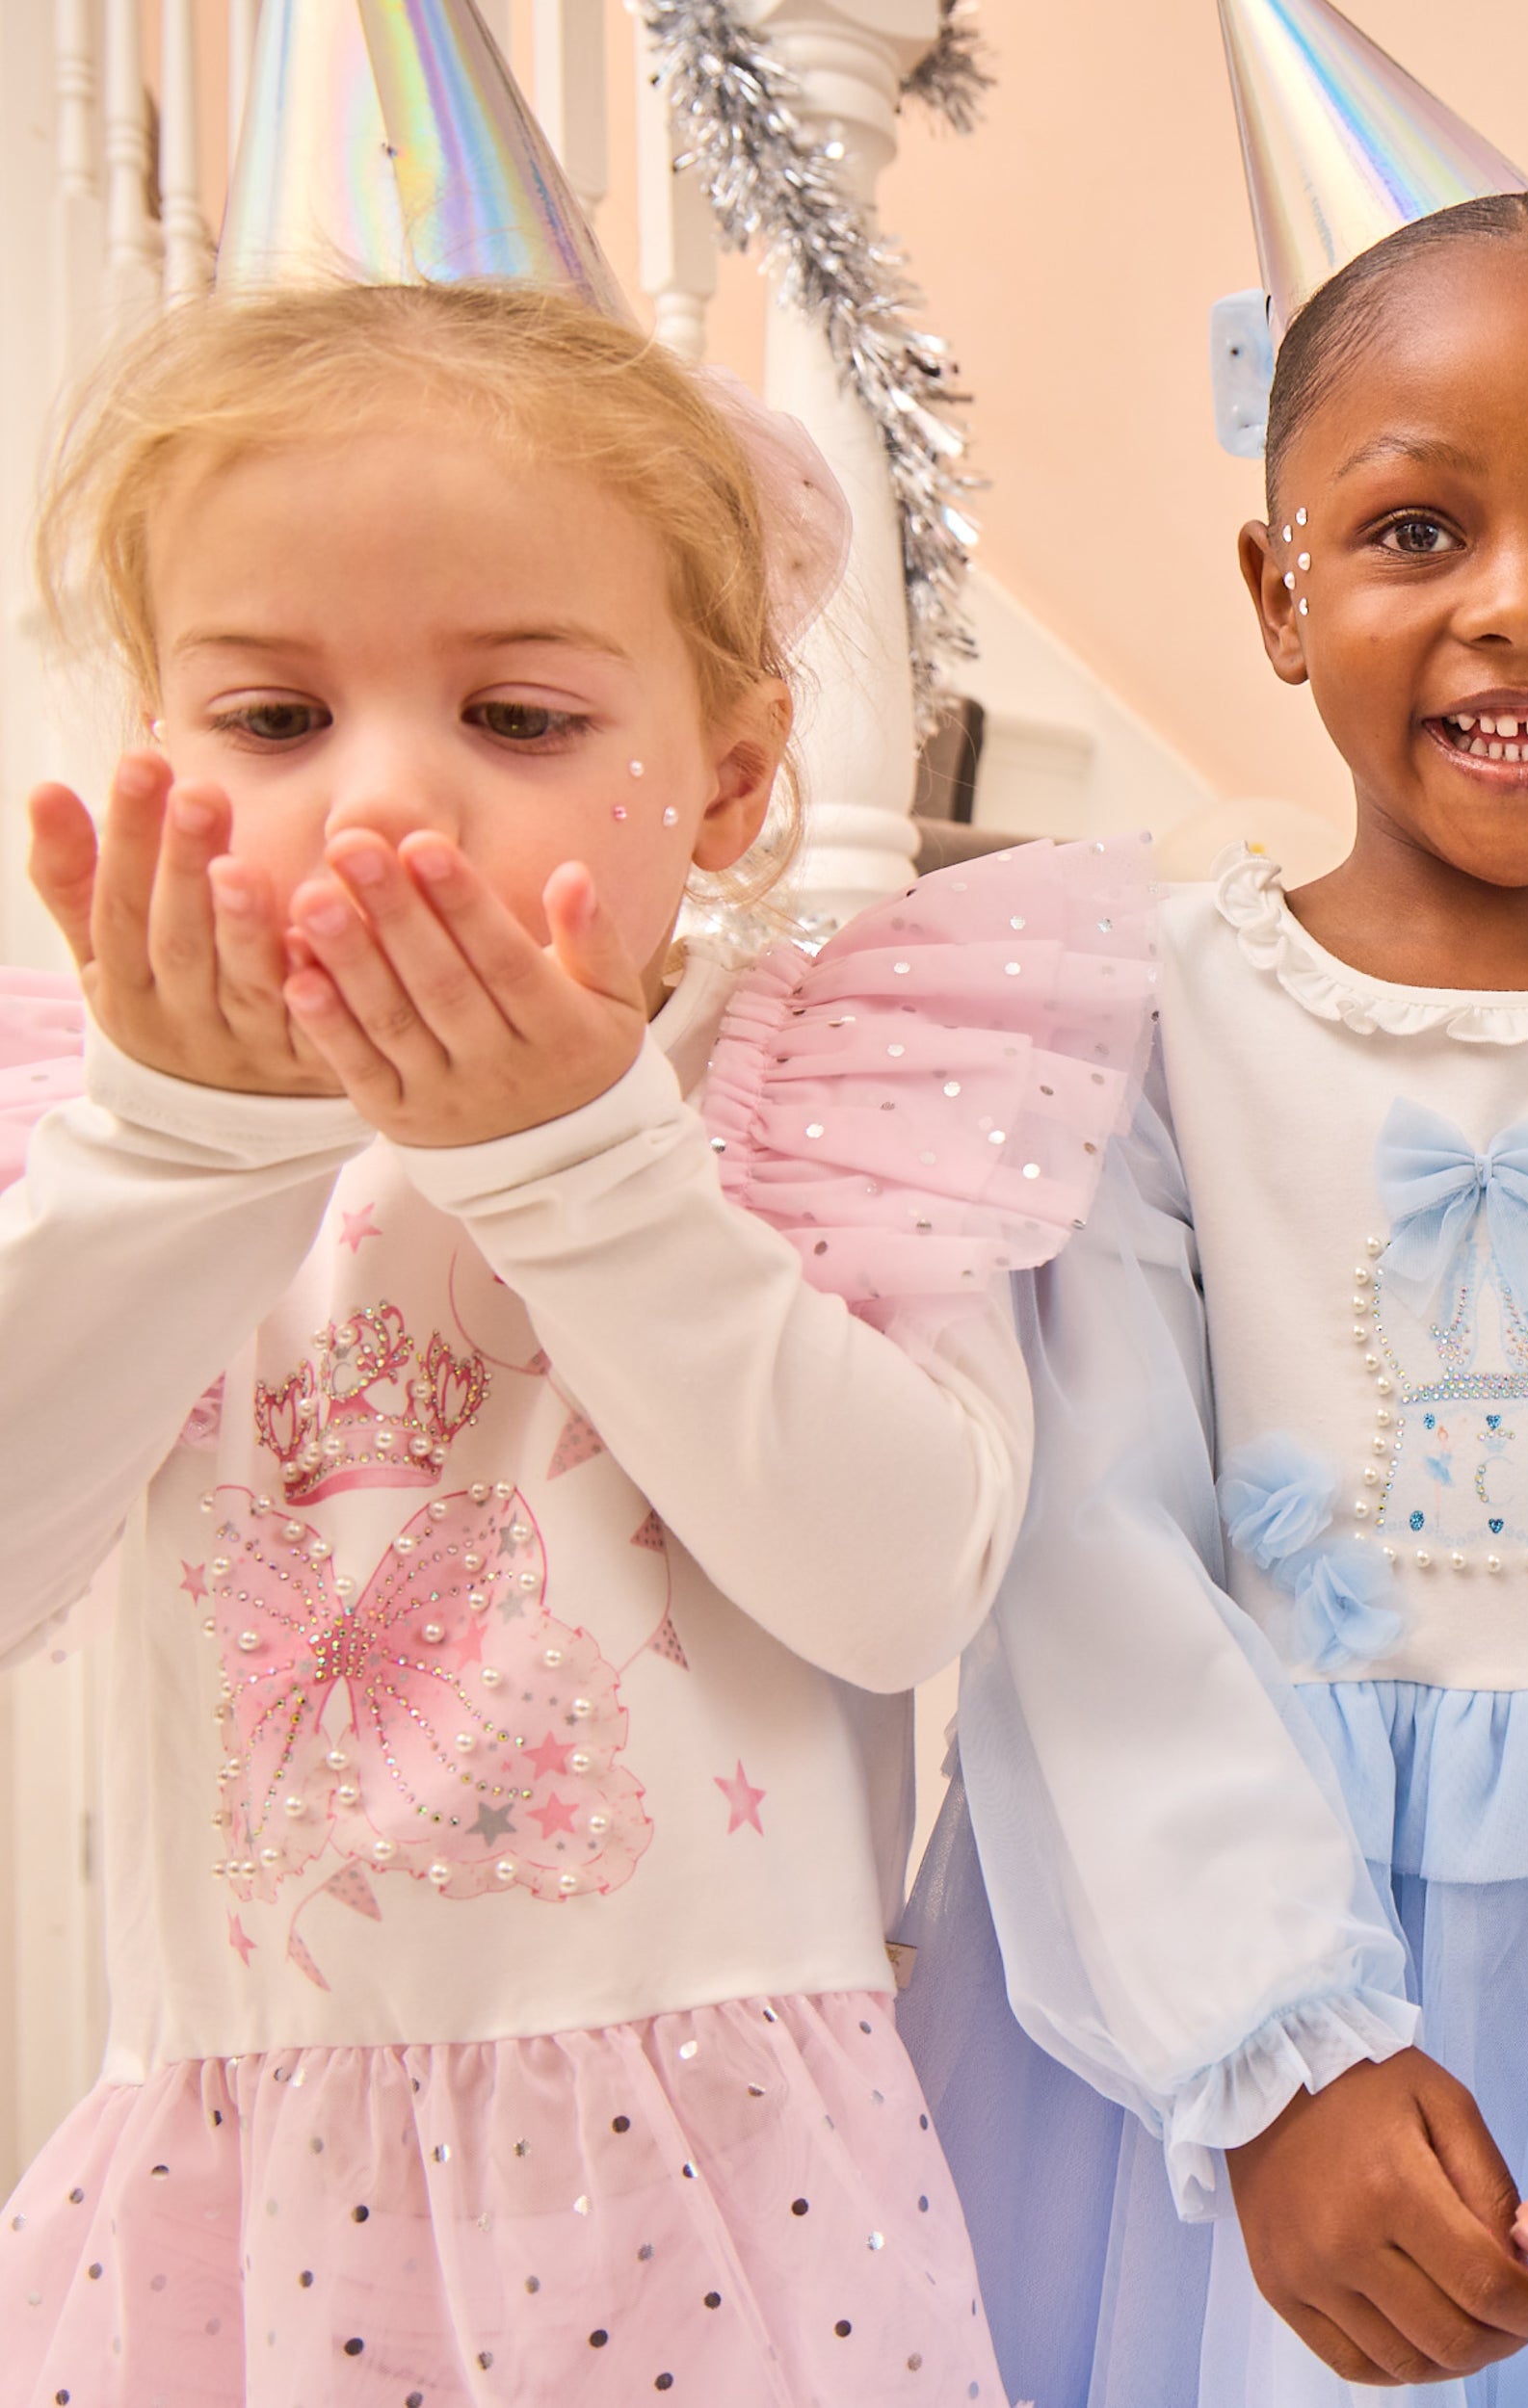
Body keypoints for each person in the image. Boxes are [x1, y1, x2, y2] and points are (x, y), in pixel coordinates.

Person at [0, 271, 1153, 2408]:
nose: (380, 807)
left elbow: (896, 1588)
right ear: (151, 748)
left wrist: (587, 1168)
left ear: (722, 792)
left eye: (518, 719)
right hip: (241, 2216)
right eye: (270, 719)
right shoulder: (110, 1128)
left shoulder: (812, 1086)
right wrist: (178, 1154)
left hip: (728, 2211)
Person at [899, 193, 1528, 2408]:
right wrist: (1270, 2051)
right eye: (1414, 528)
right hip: (1224, 1975)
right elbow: (1078, 1557)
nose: (1522, 608)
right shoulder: (1131, 1019)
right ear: (1276, 589)